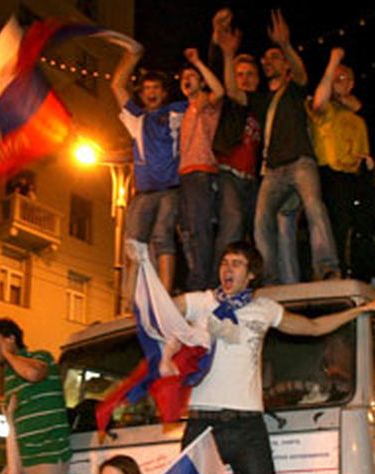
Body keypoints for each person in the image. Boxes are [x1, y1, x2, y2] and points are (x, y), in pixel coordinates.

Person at [156, 241, 375, 474]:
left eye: (237, 263)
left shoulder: (263, 309)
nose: (228, 268)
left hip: (248, 427)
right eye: (224, 262)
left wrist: (358, 310)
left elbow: (312, 327)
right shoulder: (201, 302)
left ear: (250, 275)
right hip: (202, 425)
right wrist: (167, 349)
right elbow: (164, 309)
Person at [229, 10, 340, 284]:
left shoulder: (294, 88)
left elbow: (301, 72)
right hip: (273, 171)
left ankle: (326, 266)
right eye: (265, 59)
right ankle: (270, 277)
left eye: (274, 57)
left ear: (286, 65)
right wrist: (227, 53)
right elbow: (233, 92)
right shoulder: (262, 99)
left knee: (314, 206)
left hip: (301, 162)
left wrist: (285, 45)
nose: (268, 61)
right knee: (262, 221)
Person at [111, 39, 187, 302]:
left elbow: (203, 101)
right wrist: (133, 56)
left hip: (170, 189)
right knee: (133, 244)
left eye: (156, 88)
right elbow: (116, 85)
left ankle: (164, 294)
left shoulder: (176, 111)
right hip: (143, 193)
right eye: (145, 89)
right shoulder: (136, 119)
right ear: (141, 94)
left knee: (162, 237)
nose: (151, 92)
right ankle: (130, 301)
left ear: (164, 92)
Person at [0, 318, 71, 474]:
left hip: (47, 455)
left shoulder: (40, 357)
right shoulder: (8, 376)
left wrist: (8, 354)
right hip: (19, 458)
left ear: (10, 339)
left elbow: (33, 374)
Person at [309, 48, 375, 279]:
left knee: (360, 224)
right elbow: (318, 103)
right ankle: (333, 270)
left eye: (345, 79)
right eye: (336, 79)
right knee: (334, 224)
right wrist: (333, 65)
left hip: (354, 176)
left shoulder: (359, 119)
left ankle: (360, 270)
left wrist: (368, 163)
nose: (340, 83)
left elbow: (364, 149)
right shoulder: (325, 108)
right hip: (330, 172)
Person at [210, 9, 262, 268]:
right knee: (232, 220)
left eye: (250, 74)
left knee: (255, 228)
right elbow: (227, 86)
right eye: (239, 74)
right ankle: (217, 281)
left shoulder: (261, 107)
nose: (244, 79)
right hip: (227, 171)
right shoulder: (231, 104)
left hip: (252, 180)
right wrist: (221, 41)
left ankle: (250, 279)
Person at [176, 47, 225, 291]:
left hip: (202, 171)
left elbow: (220, 90)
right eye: (183, 77)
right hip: (184, 175)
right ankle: (197, 276)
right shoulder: (184, 111)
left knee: (200, 228)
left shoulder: (206, 102)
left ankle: (201, 281)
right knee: (186, 230)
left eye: (192, 76)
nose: (186, 80)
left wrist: (198, 61)